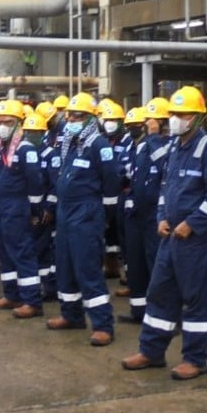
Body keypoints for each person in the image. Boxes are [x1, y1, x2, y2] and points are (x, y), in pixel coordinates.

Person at [121, 86, 207, 379]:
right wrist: (161, 218)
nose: (176, 119)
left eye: (183, 114)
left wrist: (192, 223)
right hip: (169, 237)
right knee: (159, 293)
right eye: (174, 114)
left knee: (195, 300)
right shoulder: (173, 148)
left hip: (196, 241)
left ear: (197, 117)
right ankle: (151, 351)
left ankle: (195, 359)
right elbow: (165, 188)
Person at [46, 92, 121, 347]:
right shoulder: (70, 144)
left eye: (77, 116)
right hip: (66, 212)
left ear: (90, 119)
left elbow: (111, 182)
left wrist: (105, 215)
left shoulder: (99, 145)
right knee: (65, 265)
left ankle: (103, 325)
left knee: (87, 268)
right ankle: (71, 315)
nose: (71, 121)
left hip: (86, 213)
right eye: (69, 116)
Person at [0, 100, 46, 313]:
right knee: (4, 253)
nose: (3, 126)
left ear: (19, 123)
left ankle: (32, 301)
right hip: (1, 208)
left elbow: (35, 182)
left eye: (8, 122)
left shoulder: (25, 149)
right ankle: (11, 295)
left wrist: (35, 210)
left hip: (18, 208)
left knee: (22, 253)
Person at [117, 105, 166, 325]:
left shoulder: (168, 144)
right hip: (135, 212)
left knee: (156, 264)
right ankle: (139, 311)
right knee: (136, 263)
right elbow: (129, 173)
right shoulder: (140, 146)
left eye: (150, 121)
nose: (146, 125)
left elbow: (164, 165)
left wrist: (154, 136)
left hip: (155, 214)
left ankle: (162, 315)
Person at [26, 109, 61, 306]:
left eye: (35, 132)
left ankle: (49, 287)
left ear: (42, 133)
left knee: (43, 249)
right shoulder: (24, 152)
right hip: (28, 209)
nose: (31, 135)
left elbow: (55, 184)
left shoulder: (50, 155)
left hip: (44, 211)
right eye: (29, 132)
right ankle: (40, 285)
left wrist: (49, 207)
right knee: (33, 249)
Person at [97, 98, 128, 283]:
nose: (109, 123)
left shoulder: (127, 141)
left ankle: (124, 270)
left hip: (122, 192)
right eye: (107, 120)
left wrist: (115, 173)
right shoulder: (102, 141)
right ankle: (111, 267)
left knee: (121, 233)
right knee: (108, 232)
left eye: (114, 120)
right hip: (106, 192)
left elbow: (125, 168)